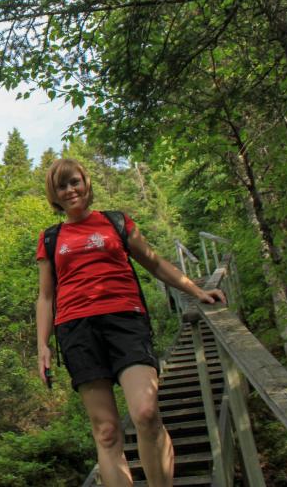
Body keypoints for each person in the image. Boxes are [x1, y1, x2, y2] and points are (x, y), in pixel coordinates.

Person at [35, 158, 226, 487]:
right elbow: (46, 297)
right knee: (107, 433)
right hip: (76, 331)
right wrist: (42, 345)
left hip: (125, 321)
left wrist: (196, 290)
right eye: (61, 186)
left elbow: (155, 263)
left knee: (145, 413)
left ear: (86, 183)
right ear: (55, 194)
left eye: (74, 182)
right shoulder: (51, 239)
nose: (70, 190)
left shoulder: (116, 223)